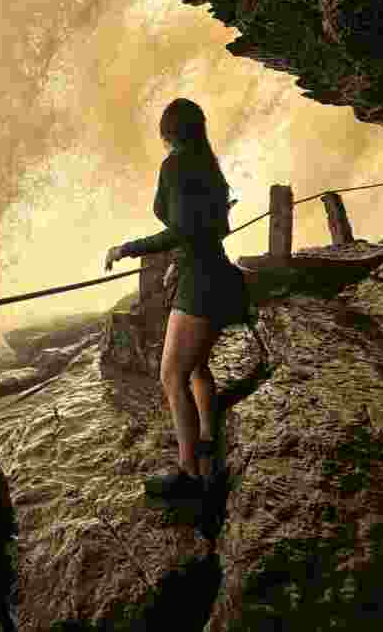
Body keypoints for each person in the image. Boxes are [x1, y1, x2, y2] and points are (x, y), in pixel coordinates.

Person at [104, 97, 249, 500]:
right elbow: (207, 229)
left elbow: (182, 230)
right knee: (196, 366)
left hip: (201, 283)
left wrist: (127, 248)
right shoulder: (207, 166)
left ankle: (189, 474)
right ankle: (206, 437)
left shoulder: (177, 164)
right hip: (215, 274)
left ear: (167, 133)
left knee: (172, 375)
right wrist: (179, 261)